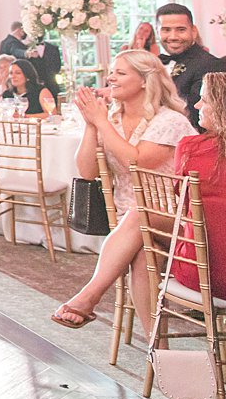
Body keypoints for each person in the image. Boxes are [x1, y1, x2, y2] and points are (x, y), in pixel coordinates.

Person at [51, 50, 197, 331]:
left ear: (144, 81)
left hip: (180, 220)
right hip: (132, 225)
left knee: (138, 214)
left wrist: (102, 122)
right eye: (112, 72)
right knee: (142, 254)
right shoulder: (114, 120)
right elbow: (88, 172)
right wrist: (92, 125)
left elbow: (136, 161)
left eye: (120, 73)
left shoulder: (170, 122)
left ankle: (89, 296)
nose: (111, 78)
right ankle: (158, 351)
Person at [169, 67, 226, 302]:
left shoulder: (190, 148)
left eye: (203, 100)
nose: (196, 106)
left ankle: (154, 335)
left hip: (205, 272)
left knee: (141, 231)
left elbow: (184, 205)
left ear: (223, 108)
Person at [158, 2, 222, 131]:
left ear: (193, 31)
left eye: (181, 29)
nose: (173, 36)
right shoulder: (155, 63)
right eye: (166, 30)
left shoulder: (209, 64)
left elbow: (198, 114)